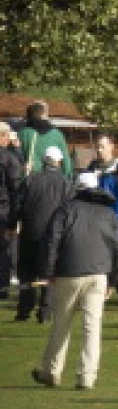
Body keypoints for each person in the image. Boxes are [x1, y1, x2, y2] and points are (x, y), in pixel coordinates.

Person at [31, 172, 118, 390]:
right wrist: (112, 281)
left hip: (68, 274)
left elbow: (52, 242)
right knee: (92, 327)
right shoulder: (108, 214)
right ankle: (87, 377)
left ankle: (52, 371)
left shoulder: (65, 210)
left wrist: (48, 272)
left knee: (61, 324)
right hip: (98, 276)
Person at [8, 146, 75, 323]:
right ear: (59, 162)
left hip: (30, 232)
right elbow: (70, 211)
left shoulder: (31, 180)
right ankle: (45, 312)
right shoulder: (66, 184)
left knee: (26, 272)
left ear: (44, 160)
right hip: (53, 236)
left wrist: (12, 225)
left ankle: (24, 310)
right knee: (49, 273)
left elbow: (17, 205)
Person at [0, 123, 24, 299]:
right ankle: (2, 287)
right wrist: (13, 220)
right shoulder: (9, 159)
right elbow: (15, 190)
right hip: (4, 210)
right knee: (4, 250)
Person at [18, 101, 72, 178]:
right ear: (44, 114)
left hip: (29, 179)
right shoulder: (57, 134)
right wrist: (68, 178)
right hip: (52, 179)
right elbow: (66, 161)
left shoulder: (22, 133)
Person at [84, 134, 118, 218]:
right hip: (91, 217)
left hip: (109, 219)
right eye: (97, 147)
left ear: (111, 146)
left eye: (102, 147)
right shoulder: (90, 169)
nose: (99, 150)